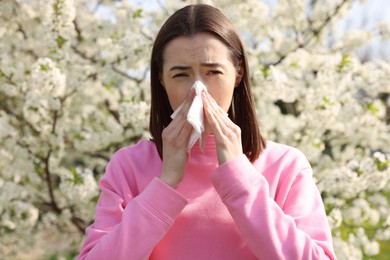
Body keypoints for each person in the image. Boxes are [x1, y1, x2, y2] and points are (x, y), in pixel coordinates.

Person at [78, 4, 336, 260]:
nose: (197, 90)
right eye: (181, 75)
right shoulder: (129, 166)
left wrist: (239, 178)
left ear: (238, 73)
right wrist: (166, 183)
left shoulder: (285, 166)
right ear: (160, 78)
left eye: (213, 72)